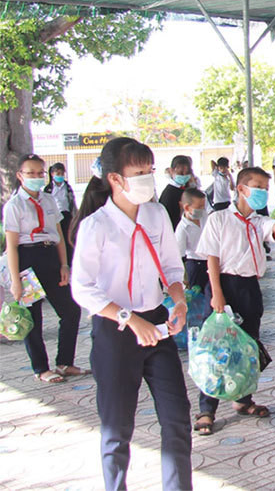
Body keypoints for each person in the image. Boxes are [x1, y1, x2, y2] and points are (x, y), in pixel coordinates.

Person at [69, 137, 191, 491]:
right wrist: (130, 319)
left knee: (176, 419)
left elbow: (170, 267)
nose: (146, 180)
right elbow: (83, 288)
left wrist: (178, 302)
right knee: (116, 428)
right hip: (115, 330)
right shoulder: (97, 226)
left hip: (156, 324)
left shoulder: (155, 214)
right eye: (138, 172)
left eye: (149, 171)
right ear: (115, 179)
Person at [191, 166, 275, 435]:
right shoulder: (219, 219)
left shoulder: (257, 221)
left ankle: (243, 399)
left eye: (265, 187)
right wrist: (217, 293)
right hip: (224, 285)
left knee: (248, 346)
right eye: (258, 186)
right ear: (241, 189)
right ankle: (207, 409)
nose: (263, 191)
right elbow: (211, 259)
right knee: (217, 349)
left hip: (249, 288)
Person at [4, 154, 86, 384]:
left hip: (50, 255)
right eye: (30, 173)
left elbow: (58, 234)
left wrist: (64, 264)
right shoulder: (14, 205)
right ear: (20, 176)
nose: (36, 177)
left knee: (70, 310)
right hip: (27, 258)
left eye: (40, 173)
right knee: (33, 317)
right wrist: (15, 279)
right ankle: (41, 368)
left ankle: (64, 362)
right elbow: (11, 244)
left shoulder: (50, 200)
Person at [175, 188, 209, 293]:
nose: (202, 209)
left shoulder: (205, 216)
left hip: (211, 260)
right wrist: (183, 278)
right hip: (196, 264)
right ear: (187, 207)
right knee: (199, 296)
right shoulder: (182, 229)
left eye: (203, 206)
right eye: (199, 207)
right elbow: (179, 255)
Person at [44, 161, 78, 264]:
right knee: (58, 239)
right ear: (52, 174)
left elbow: (72, 202)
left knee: (68, 239)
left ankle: (69, 261)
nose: (60, 176)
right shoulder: (49, 189)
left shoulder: (67, 187)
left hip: (66, 216)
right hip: (54, 217)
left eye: (62, 173)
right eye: (57, 173)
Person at [158, 155, 193, 229]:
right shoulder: (169, 193)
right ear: (171, 171)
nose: (184, 175)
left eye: (186, 173)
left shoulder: (186, 188)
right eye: (180, 173)